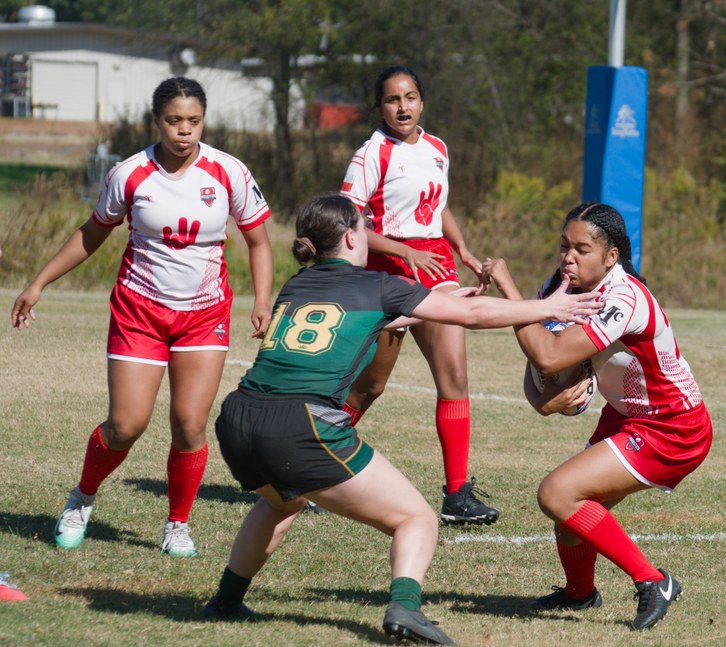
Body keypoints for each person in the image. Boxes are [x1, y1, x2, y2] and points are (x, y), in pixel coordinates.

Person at [203, 195, 600, 644]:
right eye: (365, 228)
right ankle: (406, 610)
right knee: (416, 519)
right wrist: (549, 308)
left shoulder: (297, 286)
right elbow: (469, 317)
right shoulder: (377, 285)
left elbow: (387, 316)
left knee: (281, 502)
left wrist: (450, 298)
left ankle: (225, 600)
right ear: (353, 237)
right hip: (300, 427)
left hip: (238, 419)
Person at [10, 77, 273, 557]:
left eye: (193, 121)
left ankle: (177, 524)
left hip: (203, 315)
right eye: (174, 121)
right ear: (157, 121)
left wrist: (260, 301)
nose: (184, 131)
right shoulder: (129, 173)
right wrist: (38, 282)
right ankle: (81, 499)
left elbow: (258, 240)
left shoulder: (228, 171)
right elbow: (93, 233)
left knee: (190, 426)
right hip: (139, 313)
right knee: (126, 425)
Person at [482, 202, 713, 631]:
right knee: (570, 515)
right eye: (564, 246)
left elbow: (548, 355)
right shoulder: (560, 288)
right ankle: (579, 595)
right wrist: (548, 393)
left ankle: (653, 581)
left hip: (672, 426)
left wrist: (509, 291)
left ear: (611, 257)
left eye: (582, 249)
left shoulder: (621, 297)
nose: (569, 257)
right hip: (627, 418)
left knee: (557, 493)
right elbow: (542, 382)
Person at [340, 65, 496, 526]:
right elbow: (349, 221)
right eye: (392, 100)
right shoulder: (371, 154)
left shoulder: (437, 148)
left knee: (455, 376)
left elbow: (439, 205)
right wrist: (404, 251)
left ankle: (457, 493)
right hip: (387, 269)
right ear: (380, 107)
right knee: (370, 385)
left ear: (422, 101)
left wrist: (462, 248)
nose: (402, 107)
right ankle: (311, 462)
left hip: (437, 268)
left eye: (410, 97)